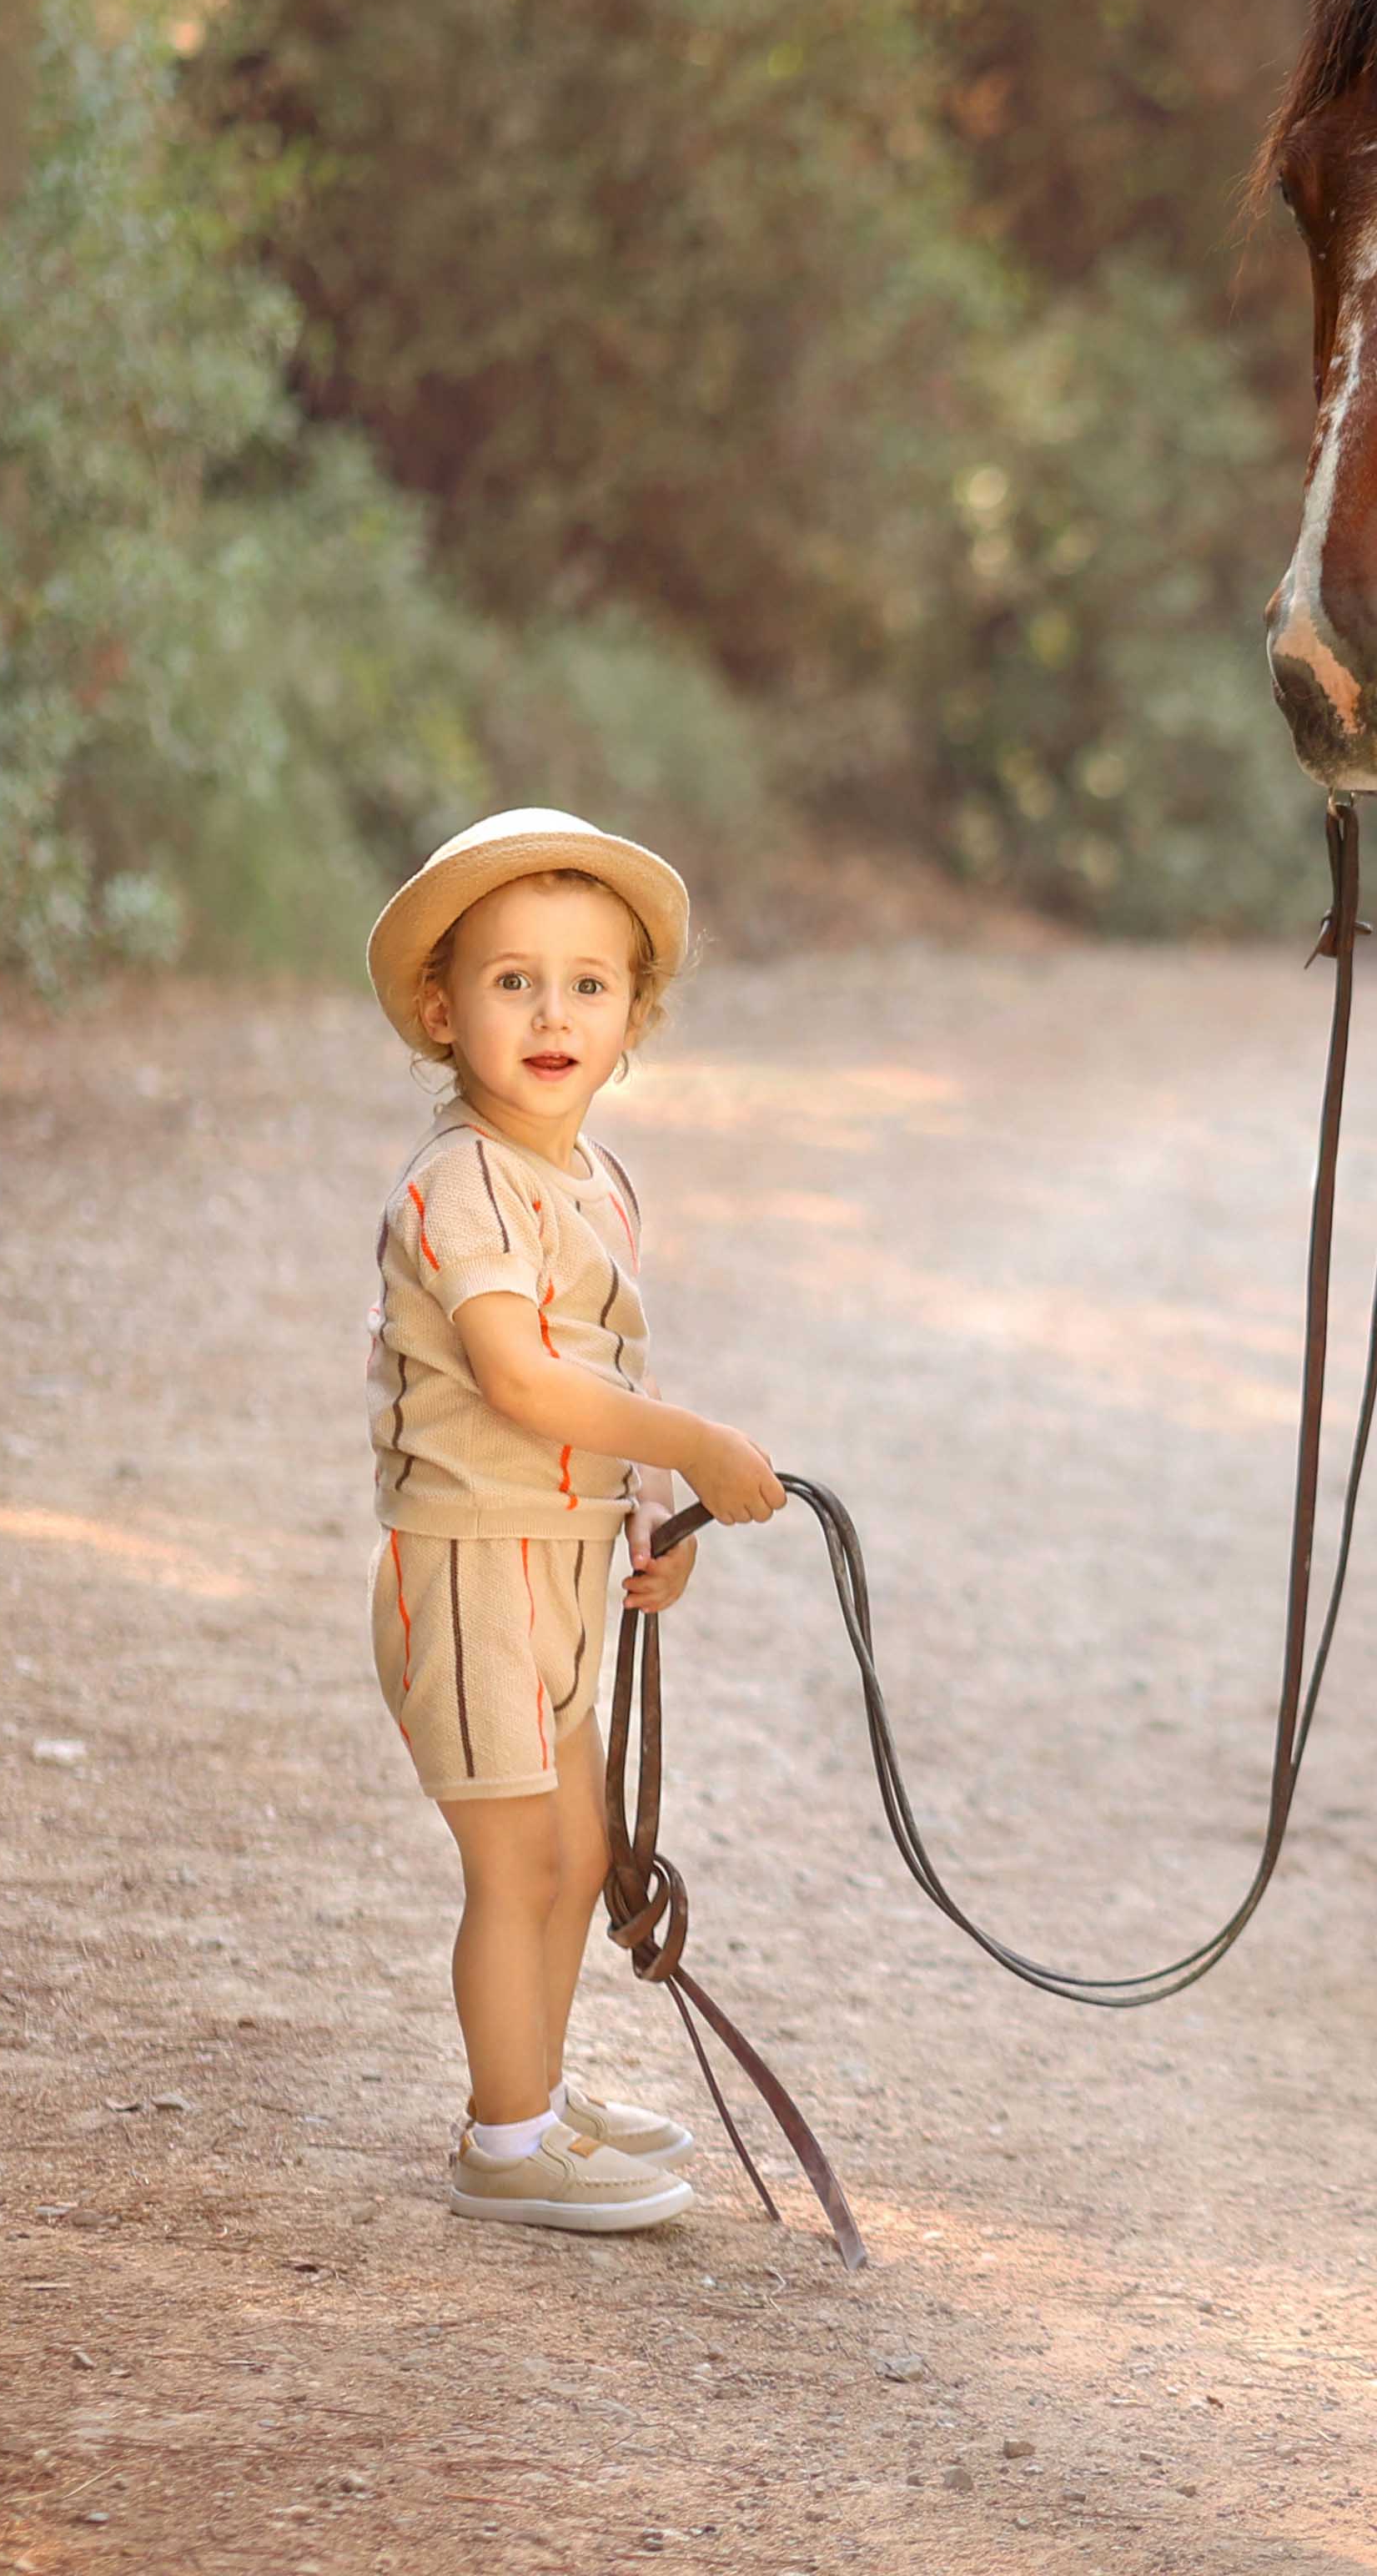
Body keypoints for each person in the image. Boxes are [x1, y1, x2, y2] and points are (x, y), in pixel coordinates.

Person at [359, 807, 782, 2231]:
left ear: (633, 1016)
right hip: (474, 1561)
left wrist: (654, 1513)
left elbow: (610, 1368)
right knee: (516, 1858)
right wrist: (701, 1447)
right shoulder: (460, 1180)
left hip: (564, 1560)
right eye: (512, 981)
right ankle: (504, 2137)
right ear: (443, 1007)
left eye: (589, 985)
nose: (554, 1014)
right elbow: (522, 1376)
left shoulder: (597, 1180)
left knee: (585, 1850)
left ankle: (532, 2084)